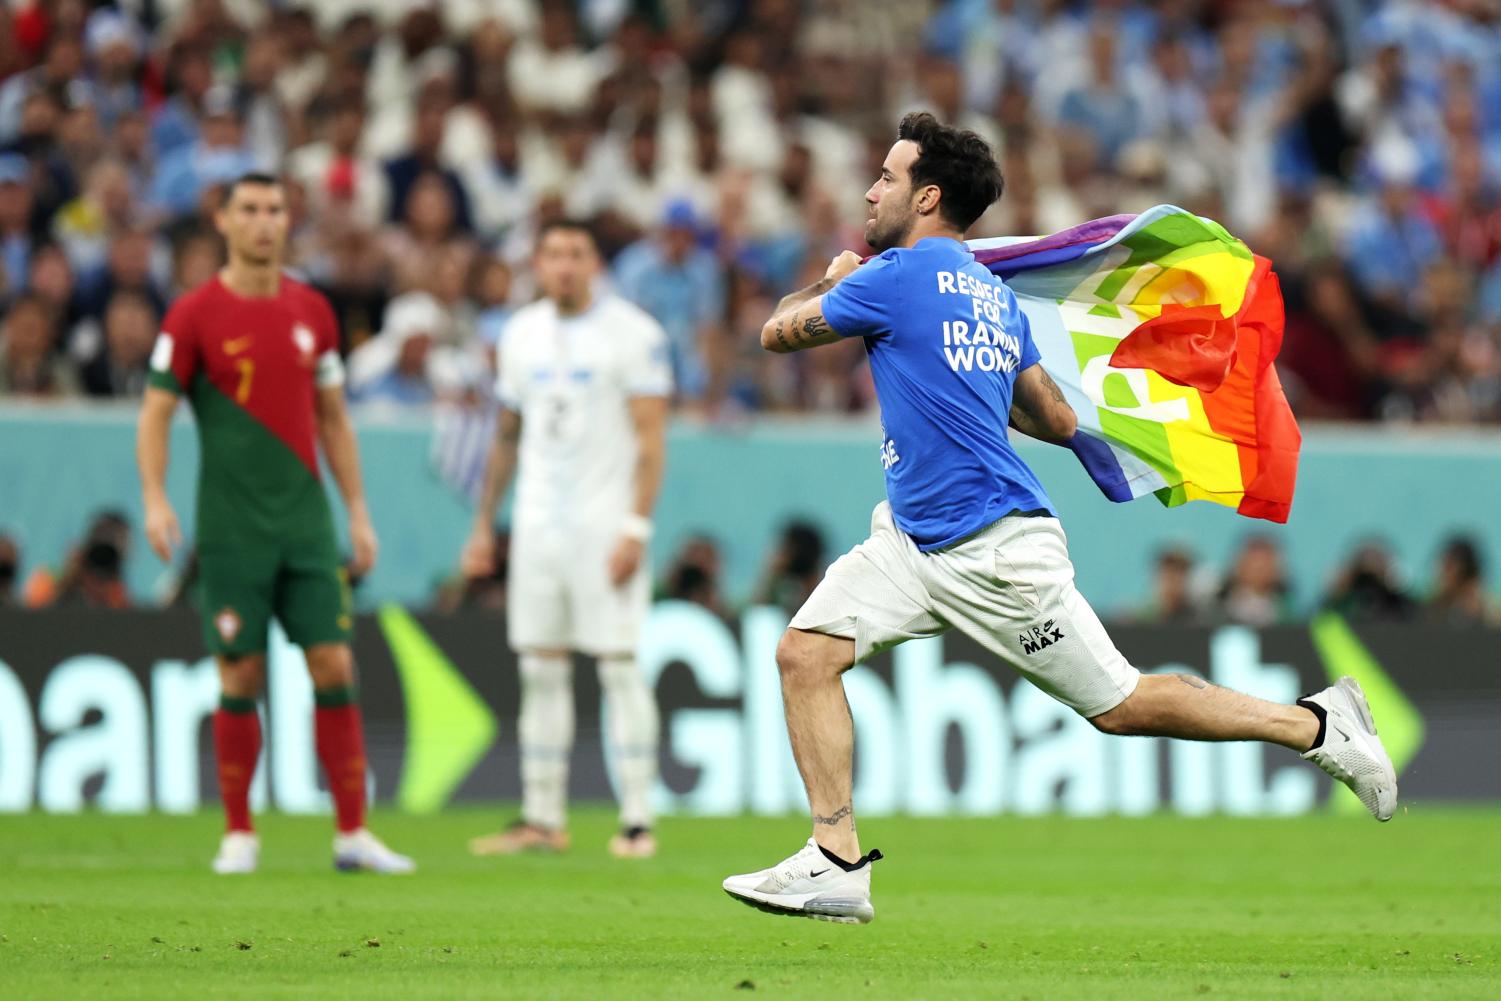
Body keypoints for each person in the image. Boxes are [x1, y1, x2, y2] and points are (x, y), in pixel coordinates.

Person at [721, 113, 1397, 925]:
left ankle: (1315, 724)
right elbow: (1056, 417)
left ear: (926, 198)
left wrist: (831, 280)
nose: (870, 191)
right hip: (911, 537)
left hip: (992, 550)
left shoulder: (889, 277)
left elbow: (774, 333)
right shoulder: (992, 297)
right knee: (804, 653)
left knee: (1121, 704)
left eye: (887, 177)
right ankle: (834, 861)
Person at [135, 172, 413, 876]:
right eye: (250, 209)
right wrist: (155, 497)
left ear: (289, 221)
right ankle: (238, 833)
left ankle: (353, 833)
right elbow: (157, 412)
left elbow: (334, 419)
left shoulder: (312, 310)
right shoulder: (193, 314)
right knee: (241, 672)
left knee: (335, 663)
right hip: (231, 527)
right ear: (223, 221)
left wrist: (358, 512)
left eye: (275, 210)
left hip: (306, 522)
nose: (263, 222)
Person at [459, 219, 671, 860]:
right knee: (540, 668)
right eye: (552, 254)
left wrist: (636, 526)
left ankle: (637, 821)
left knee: (619, 664)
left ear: (594, 264)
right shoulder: (519, 333)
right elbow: (506, 434)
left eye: (576, 254)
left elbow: (651, 441)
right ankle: (543, 817)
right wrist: (482, 524)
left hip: (605, 526)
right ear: (538, 263)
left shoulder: (634, 334)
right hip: (537, 527)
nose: (564, 266)